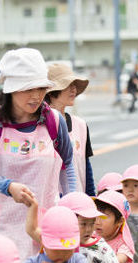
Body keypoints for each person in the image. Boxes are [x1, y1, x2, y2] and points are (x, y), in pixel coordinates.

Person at [0, 48, 77, 261]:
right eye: (28, 89)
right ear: (11, 89)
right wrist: (7, 186)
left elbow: (68, 165)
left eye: (40, 88)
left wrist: (72, 208)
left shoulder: (54, 121)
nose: (36, 96)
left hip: (43, 229)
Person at [46, 63, 96, 196]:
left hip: (78, 204)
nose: (74, 89)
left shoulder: (80, 125)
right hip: (50, 205)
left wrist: (91, 200)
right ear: (51, 92)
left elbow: (86, 169)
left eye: (74, 85)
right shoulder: (40, 125)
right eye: (67, 85)